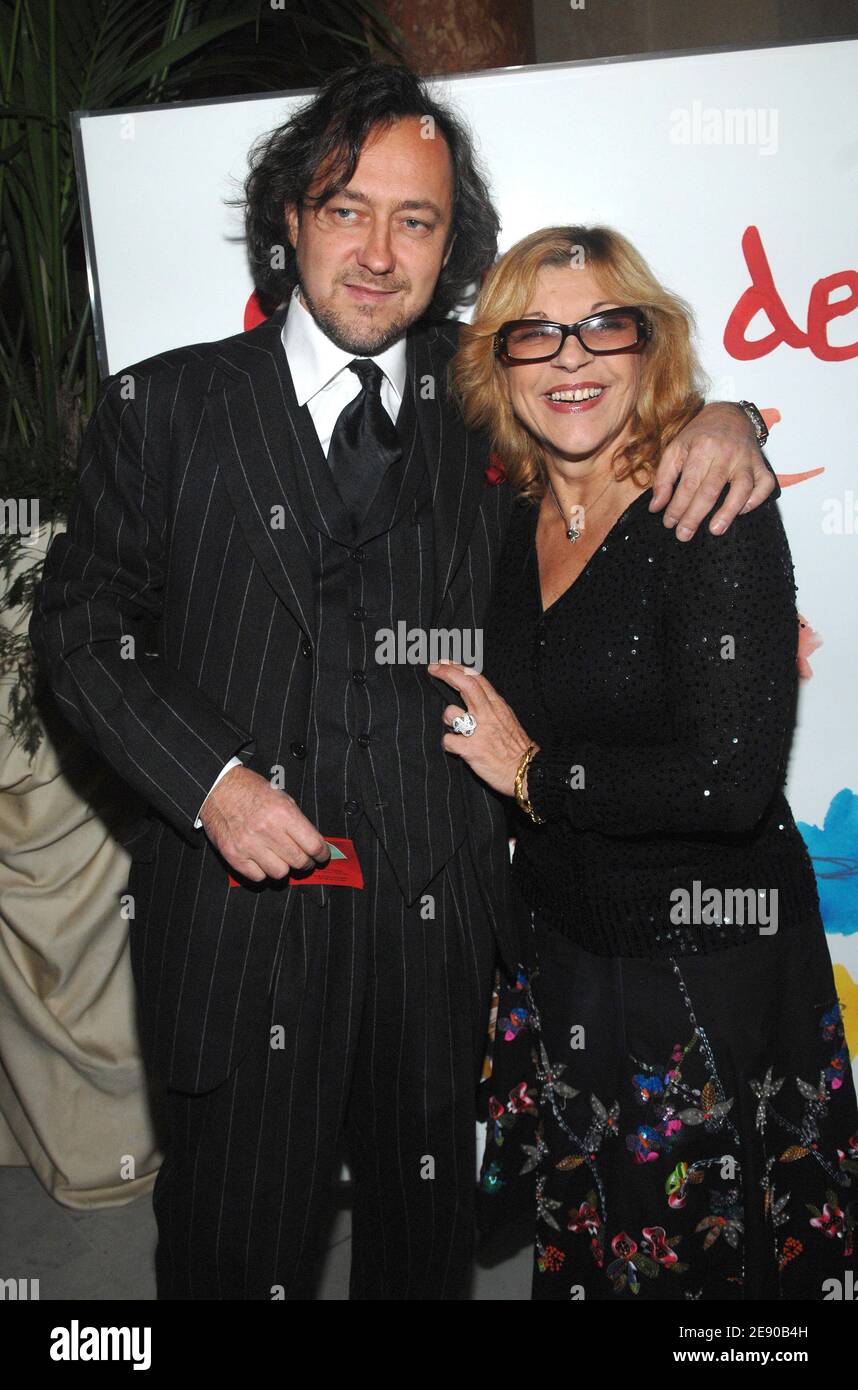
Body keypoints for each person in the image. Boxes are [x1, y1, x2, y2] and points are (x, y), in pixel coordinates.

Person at [28, 66, 775, 1301]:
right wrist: (211, 786)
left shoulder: (484, 408)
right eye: (344, 209)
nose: (378, 252)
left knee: (422, 1261)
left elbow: (624, 423)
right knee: (232, 1245)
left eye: (415, 220)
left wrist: (733, 418)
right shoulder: (162, 407)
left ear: (448, 245)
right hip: (240, 921)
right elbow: (79, 629)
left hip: (434, 927)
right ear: (289, 222)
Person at [432, 224, 858, 1301]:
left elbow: (730, 781)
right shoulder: (507, 513)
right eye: (536, 335)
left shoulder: (710, 508)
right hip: (564, 946)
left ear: (648, 346)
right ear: (501, 365)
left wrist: (533, 775)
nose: (571, 358)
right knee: (598, 1238)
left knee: (702, 1257)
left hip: (700, 965)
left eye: (602, 327)